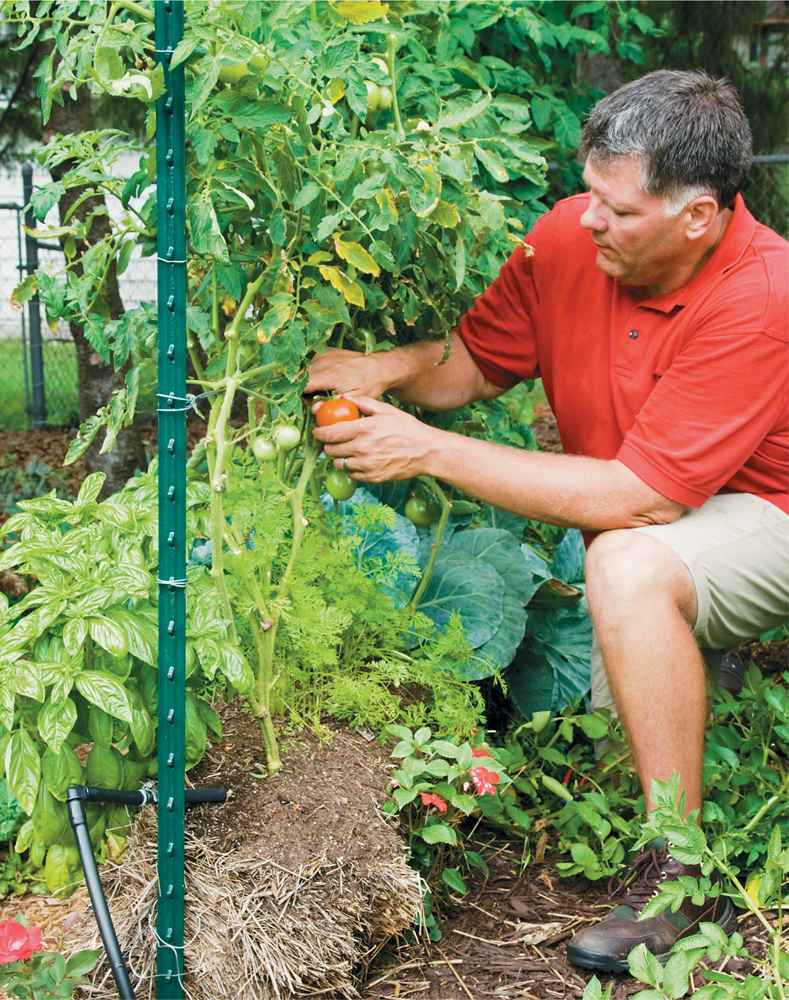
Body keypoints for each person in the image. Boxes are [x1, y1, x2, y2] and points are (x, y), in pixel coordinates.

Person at [305, 70, 789, 971]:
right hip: (657, 503)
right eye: (589, 194)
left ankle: (680, 872)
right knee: (614, 735)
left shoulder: (762, 295)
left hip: (768, 510)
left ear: (699, 216)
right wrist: (388, 367)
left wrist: (427, 452)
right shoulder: (572, 237)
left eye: (616, 208)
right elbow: (477, 365)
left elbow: (643, 499)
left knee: (627, 562)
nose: (588, 219)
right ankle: (675, 728)